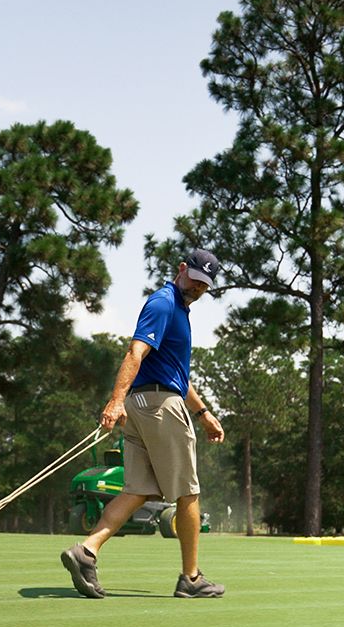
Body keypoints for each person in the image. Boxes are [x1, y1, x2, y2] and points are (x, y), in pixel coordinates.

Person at [60, 248, 226, 599]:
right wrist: (115, 399)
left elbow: (178, 375)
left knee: (138, 489)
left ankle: (86, 551)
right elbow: (135, 352)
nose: (197, 288)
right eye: (195, 280)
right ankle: (191, 579)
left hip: (145, 405)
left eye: (204, 286)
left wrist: (203, 413)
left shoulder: (178, 310)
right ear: (182, 269)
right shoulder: (164, 304)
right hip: (158, 406)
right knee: (188, 492)